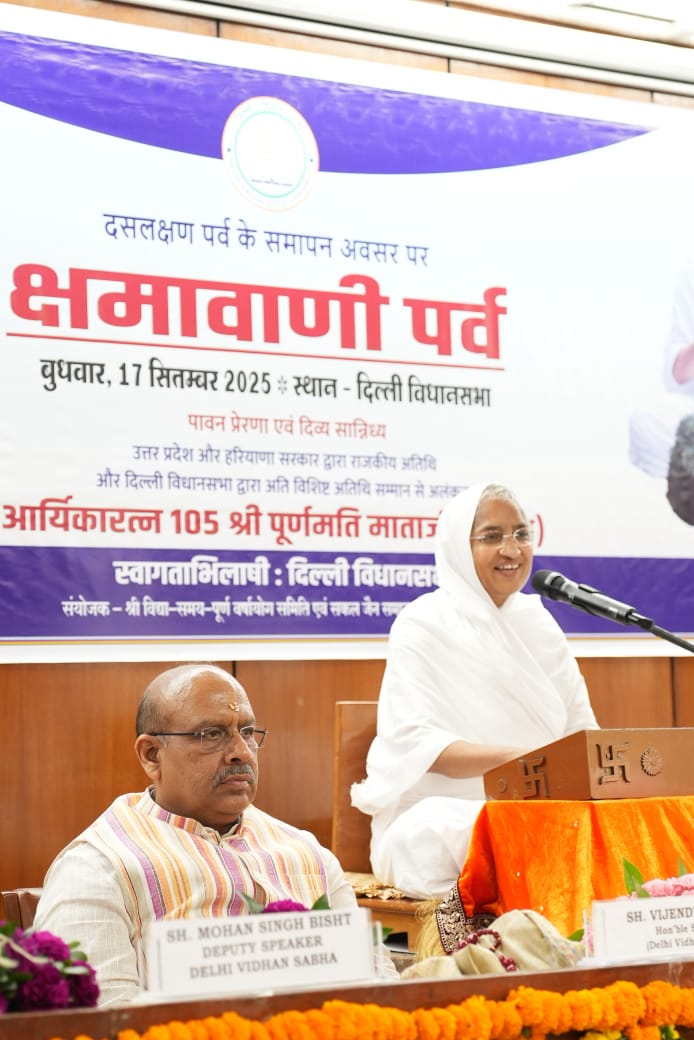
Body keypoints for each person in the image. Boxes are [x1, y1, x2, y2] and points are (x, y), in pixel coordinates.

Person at [34, 663, 396, 1006]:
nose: (241, 752)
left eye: (248, 732)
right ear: (152, 755)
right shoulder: (99, 868)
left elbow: (381, 993)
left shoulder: (305, 853)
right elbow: (102, 1024)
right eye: (211, 734)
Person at [350, 482, 598, 900]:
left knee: (615, 822)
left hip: (543, 806)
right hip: (440, 814)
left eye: (521, 534)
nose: (511, 549)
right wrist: (523, 762)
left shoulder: (540, 625)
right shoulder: (423, 622)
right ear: (457, 547)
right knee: (467, 830)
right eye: (491, 536)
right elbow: (418, 745)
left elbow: (582, 734)